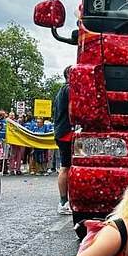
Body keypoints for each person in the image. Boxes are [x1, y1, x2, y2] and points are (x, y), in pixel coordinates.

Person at [54, 66, 73, 215]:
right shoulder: (69, 89)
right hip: (67, 132)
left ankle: (66, 200)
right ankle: (63, 202)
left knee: (67, 167)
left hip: (62, 131)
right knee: (65, 167)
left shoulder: (62, 90)